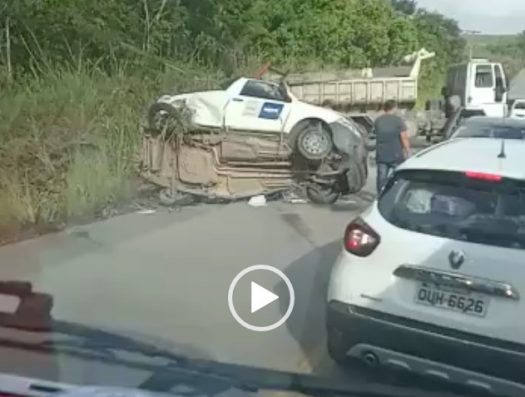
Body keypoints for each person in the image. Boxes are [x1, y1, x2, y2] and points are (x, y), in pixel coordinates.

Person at [374, 100, 411, 193]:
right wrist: (408, 151)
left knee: (381, 179)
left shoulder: (378, 121)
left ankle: (380, 197)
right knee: (399, 177)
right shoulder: (398, 121)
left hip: (381, 154)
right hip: (396, 154)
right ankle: (396, 195)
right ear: (394, 108)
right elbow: (404, 138)